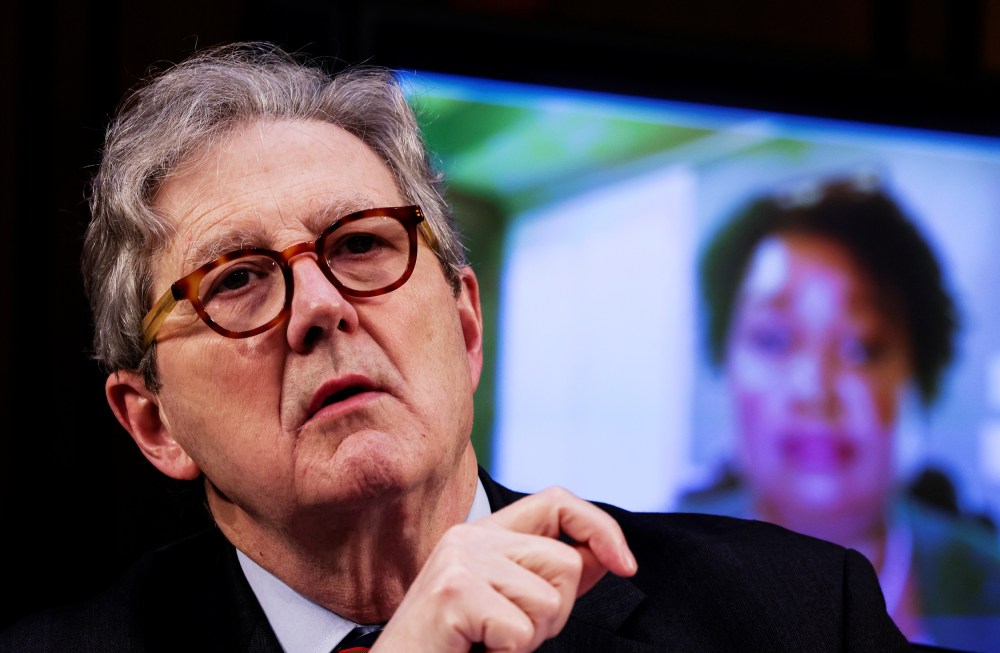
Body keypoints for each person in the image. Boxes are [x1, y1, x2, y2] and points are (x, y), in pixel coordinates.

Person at [0, 42, 911, 653]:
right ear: (153, 421)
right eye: (236, 278)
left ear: (467, 324)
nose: (319, 308)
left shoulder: (793, 615)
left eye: (360, 245)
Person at [678, 175, 1000, 651]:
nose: (814, 389)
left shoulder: (989, 584)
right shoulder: (645, 573)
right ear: (725, 363)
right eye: (774, 339)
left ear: (917, 376)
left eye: (860, 347)